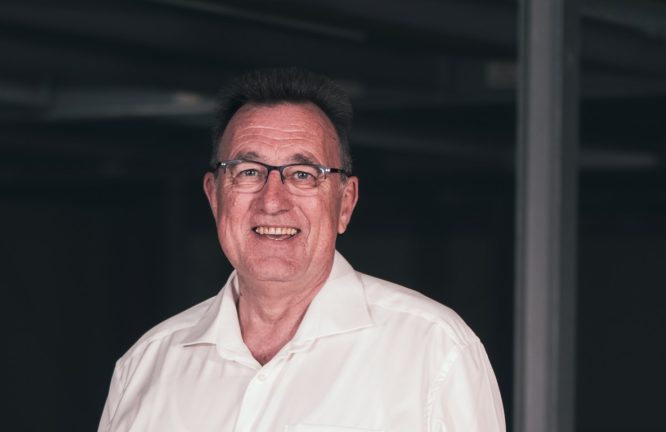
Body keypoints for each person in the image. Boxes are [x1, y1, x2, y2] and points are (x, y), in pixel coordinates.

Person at [98, 67, 505, 431]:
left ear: (345, 203)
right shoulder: (145, 367)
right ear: (214, 197)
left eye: (303, 174)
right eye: (249, 172)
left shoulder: (433, 351)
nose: (273, 200)